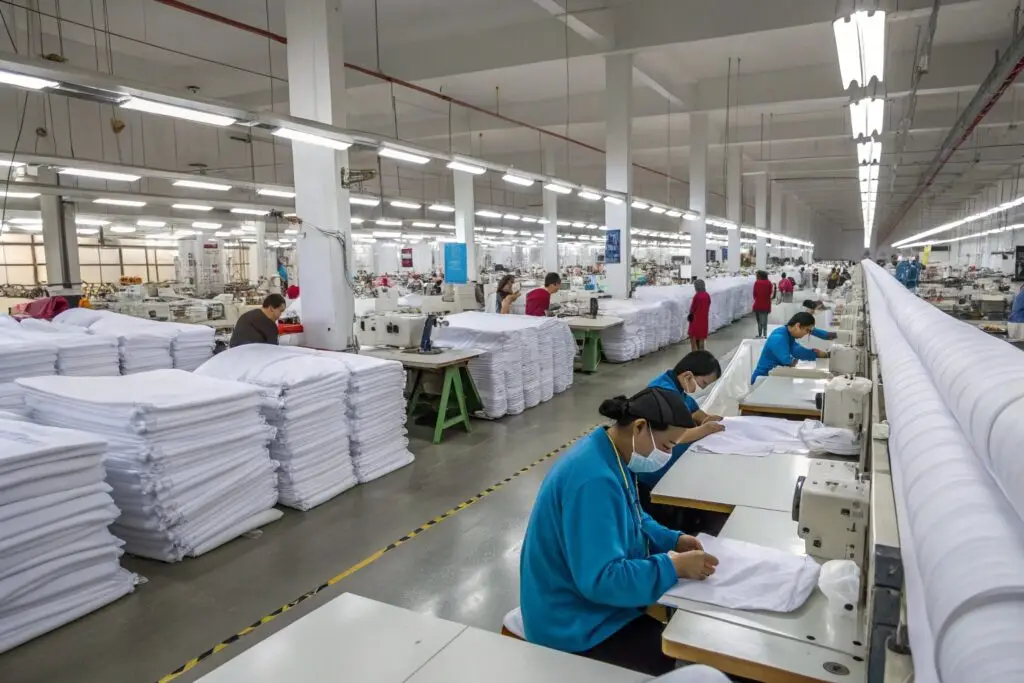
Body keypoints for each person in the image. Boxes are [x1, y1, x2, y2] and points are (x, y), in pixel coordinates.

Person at [519, 388, 719, 675]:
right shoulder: (594, 481)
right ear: (640, 427)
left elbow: (634, 515)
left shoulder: (609, 452)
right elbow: (601, 580)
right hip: (573, 624)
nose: (668, 454)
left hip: (589, 606)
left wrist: (672, 539)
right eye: (666, 446)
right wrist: (672, 566)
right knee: (679, 661)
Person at [641, 352, 725, 526]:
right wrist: (704, 429)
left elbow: (693, 410)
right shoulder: (663, 392)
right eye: (702, 383)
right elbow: (676, 435)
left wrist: (706, 418)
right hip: (654, 471)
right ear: (688, 375)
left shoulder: (675, 385)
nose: (700, 388)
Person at [750, 312, 830, 383]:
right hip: (761, 380)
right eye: (807, 331)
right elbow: (788, 360)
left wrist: (821, 355)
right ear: (798, 326)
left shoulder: (787, 334)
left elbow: (798, 352)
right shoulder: (779, 338)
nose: (806, 334)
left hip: (774, 377)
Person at [688, 279, 711, 351]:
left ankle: (694, 354)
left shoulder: (697, 296)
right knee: (701, 339)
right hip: (704, 321)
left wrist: (690, 314)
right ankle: (701, 353)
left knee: (693, 338)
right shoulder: (707, 295)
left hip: (695, 320)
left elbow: (693, 307)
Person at [752, 270, 773, 338]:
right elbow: (770, 293)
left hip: (757, 305)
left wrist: (758, 299)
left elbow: (754, 294)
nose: (756, 277)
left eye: (757, 275)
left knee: (759, 321)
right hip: (766, 305)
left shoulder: (757, 283)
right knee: (764, 321)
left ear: (760, 276)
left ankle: (760, 334)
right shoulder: (769, 283)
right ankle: (765, 335)